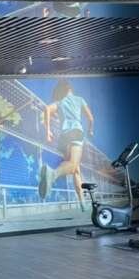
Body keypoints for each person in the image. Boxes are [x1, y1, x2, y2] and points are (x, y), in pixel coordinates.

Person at [38, 79, 94, 208]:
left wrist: (48, 131)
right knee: (73, 165)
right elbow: (91, 118)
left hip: (63, 137)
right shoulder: (79, 99)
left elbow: (47, 109)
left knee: (76, 170)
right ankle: (53, 174)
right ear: (70, 89)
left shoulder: (60, 102)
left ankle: (82, 202)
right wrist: (90, 130)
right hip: (76, 132)